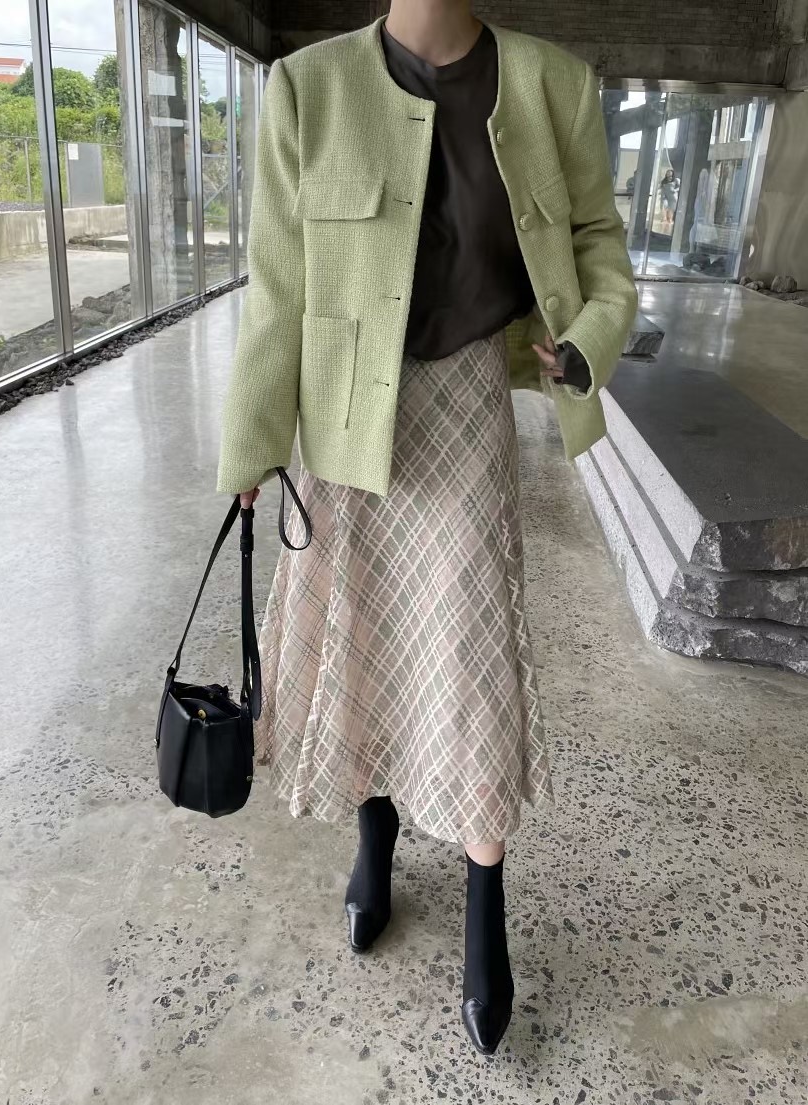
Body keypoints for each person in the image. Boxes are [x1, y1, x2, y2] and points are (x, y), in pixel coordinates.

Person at [216, 0, 637, 1056]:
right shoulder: (306, 88)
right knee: (365, 634)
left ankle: (486, 904)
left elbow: (598, 239)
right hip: (345, 424)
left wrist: (588, 336)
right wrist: (251, 447)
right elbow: (277, 285)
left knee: (468, 654)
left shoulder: (553, 86)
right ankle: (375, 842)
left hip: (467, 411)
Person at [659, 167, 679, 232]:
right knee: (664, 207)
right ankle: (664, 220)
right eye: (668, 173)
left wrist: (675, 190)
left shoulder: (676, 180)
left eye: (670, 173)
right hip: (665, 196)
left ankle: (669, 222)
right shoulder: (664, 181)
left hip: (672, 197)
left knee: (671, 210)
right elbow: (661, 188)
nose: (669, 174)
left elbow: (679, 187)